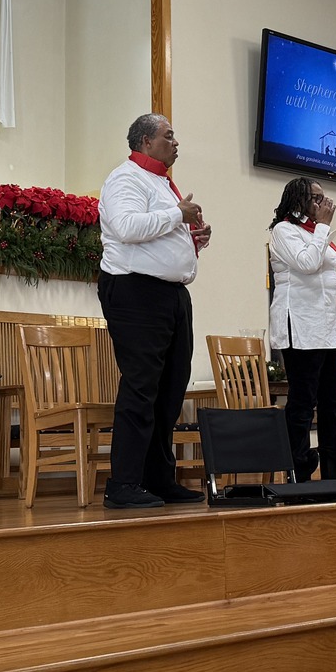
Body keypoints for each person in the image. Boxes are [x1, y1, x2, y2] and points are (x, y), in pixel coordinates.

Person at [96, 114, 211, 510]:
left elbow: (156, 232)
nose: (176, 142)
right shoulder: (125, 178)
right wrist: (178, 216)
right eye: (168, 136)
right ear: (145, 141)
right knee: (142, 387)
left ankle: (159, 479)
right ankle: (123, 484)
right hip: (135, 291)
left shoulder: (160, 182)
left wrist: (191, 237)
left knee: (171, 389)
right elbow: (127, 227)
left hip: (171, 295)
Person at [268, 177, 336, 481]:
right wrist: (324, 228)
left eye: (322, 197)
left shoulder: (316, 233)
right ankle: (298, 471)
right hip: (302, 326)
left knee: (332, 403)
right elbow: (306, 263)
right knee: (303, 402)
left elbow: (323, 269)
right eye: (315, 198)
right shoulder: (284, 231)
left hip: (329, 327)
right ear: (298, 201)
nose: (322, 203)